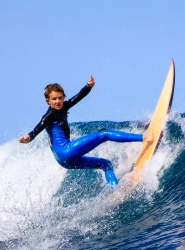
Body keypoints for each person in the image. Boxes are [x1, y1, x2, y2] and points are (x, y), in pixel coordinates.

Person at [19, 74, 152, 185]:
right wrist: (29, 137)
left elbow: (79, 96)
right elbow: (39, 126)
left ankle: (115, 190)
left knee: (105, 164)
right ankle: (144, 137)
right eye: (54, 99)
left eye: (60, 98)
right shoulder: (49, 115)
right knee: (104, 134)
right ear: (48, 100)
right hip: (66, 151)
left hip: (64, 161)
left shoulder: (64, 106)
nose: (58, 101)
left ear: (63, 97)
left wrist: (88, 86)